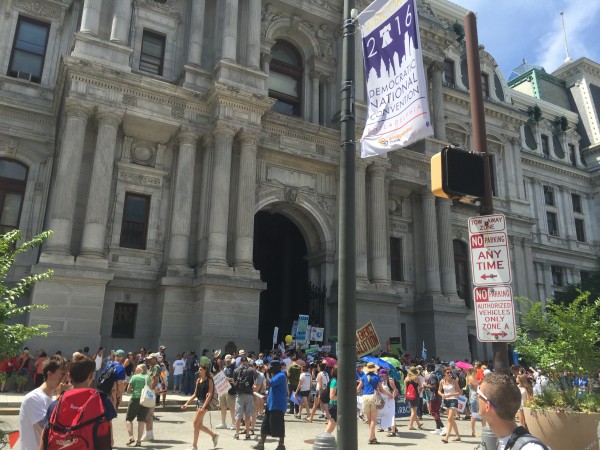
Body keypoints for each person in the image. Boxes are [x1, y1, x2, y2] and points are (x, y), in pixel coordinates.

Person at [42, 354, 117, 449]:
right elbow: (110, 440)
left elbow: (44, 437)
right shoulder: (102, 400)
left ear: (69, 375)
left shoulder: (57, 403)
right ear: (91, 375)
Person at [479, 372, 549, 449]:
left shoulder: (530, 448)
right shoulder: (501, 442)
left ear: (488, 406)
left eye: (479, 393)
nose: (477, 396)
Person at [18, 354, 69, 450]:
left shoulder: (50, 398)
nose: (65, 378)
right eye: (63, 374)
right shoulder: (33, 398)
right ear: (49, 374)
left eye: (67, 375)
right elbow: (50, 429)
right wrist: (60, 398)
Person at [181, 364, 219, 450]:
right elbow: (195, 394)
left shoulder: (209, 380)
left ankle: (194, 446)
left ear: (205, 370)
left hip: (204, 404)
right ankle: (214, 435)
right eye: (199, 369)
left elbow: (210, 394)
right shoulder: (198, 380)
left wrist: (204, 405)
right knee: (199, 425)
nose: (199, 371)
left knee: (195, 424)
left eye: (201, 369)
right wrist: (187, 403)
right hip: (198, 403)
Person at [252, 360, 287, 450]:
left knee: (279, 425)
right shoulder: (275, 375)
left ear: (277, 367)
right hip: (270, 404)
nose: (270, 370)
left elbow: (268, 383)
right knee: (265, 425)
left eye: (272, 368)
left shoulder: (281, 375)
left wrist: (266, 373)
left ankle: (281, 445)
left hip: (278, 405)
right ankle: (261, 444)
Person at [357, 362, 386, 445]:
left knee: (369, 420)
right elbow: (381, 390)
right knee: (373, 420)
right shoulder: (377, 377)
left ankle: (373, 437)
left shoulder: (363, 377)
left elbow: (358, 389)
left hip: (365, 397)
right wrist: (389, 395)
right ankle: (371, 438)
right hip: (373, 396)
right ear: (374, 369)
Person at [233, 355, 257, 439]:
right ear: (246, 362)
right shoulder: (251, 370)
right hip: (249, 394)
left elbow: (235, 383)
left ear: (240, 362)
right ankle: (247, 434)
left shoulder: (236, 370)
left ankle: (237, 434)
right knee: (247, 415)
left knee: (238, 415)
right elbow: (255, 382)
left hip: (239, 394)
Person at [125, 364, 150, 446]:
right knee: (141, 420)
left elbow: (128, 391)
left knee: (129, 419)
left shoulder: (134, 377)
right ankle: (139, 441)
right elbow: (149, 388)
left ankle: (131, 437)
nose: (135, 370)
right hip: (145, 400)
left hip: (135, 399)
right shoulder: (147, 377)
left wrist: (133, 389)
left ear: (139, 369)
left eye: (136, 368)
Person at [439, 366, 461, 443]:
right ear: (444, 373)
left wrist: (450, 395)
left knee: (449, 419)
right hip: (446, 400)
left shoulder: (454, 381)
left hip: (453, 400)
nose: (449, 374)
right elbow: (439, 391)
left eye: (450, 372)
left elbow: (459, 392)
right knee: (451, 419)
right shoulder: (442, 381)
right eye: (448, 372)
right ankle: (458, 436)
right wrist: (442, 395)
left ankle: (446, 437)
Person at [216, 354, 236, 430]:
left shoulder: (234, 368)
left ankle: (233, 423)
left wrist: (229, 379)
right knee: (223, 407)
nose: (228, 362)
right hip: (223, 389)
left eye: (229, 360)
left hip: (231, 390)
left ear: (231, 360)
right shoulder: (224, 368)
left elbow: (236, 380)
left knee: (232, 407)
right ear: (225, 360)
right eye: (226, 360)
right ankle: (223, 423)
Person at [377, 368, 398, 436]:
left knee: (391, 415)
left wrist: (393, 396)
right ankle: (385, 427)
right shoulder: (382, 381)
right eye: (381, 375)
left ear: (386, 375)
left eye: (382, 375)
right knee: (384, 414)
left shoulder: (390, 380)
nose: (381, 376)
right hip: (384, 400)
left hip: (390, 400)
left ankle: (393, 431)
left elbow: (395, 389)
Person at [467, 367, 486, 437]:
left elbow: (477, 385)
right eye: (475, 371)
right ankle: (473, 432)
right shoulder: (471, 377)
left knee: (482, 414)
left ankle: (484, 430)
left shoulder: (473, 378)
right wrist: (481, 384)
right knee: (474, 415)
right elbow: (476, 386)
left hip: (477, 397)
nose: (476, 373)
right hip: (474, 397)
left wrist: (480, 382)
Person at [404, 366, 423, 430]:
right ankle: (410, 425)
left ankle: (418, 424)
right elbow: (421, 386)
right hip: (415, 395)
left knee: (413, 410)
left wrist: (405, 396)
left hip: (409, 395)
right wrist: (419, 391)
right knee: (414, 410)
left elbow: (405, 388)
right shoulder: (416, 377)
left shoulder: (406, 378)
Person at [324, 365, 337, 434]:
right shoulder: (334, 381)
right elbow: (332, 396)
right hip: (334, 405)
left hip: (335, 405)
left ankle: (325, 437)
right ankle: (324, 437)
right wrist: (343, 397)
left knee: (333, 423)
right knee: (332, 423)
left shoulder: (337, 380)